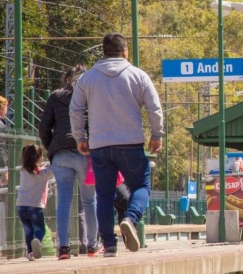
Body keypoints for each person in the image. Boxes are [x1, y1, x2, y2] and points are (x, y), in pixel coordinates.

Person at [70, 33, 163, 256]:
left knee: (103, 195)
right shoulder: (137, 75)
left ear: (103, 52)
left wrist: (80, 137)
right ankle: (130, 219)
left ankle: (109, 246)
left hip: (100, 146)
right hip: (130, 143)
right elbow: (154, 107)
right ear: (125, 52)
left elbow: (75, 109)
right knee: (142, 185)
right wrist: (156, 135)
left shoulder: (87, 78)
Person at [38, 64, 101, 259]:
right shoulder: (91, 96)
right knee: (89, 201)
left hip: (60, 154)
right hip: (84, 153)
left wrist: (53, 148)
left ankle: (63, 248)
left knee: (64, 201)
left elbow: (43, 128)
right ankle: (92, 245)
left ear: (67, 78)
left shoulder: (55, 97)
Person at [17, 144, 54, 260]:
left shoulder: (22, 171)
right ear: (39, 158)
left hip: (21, 206)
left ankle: (30, 253)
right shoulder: (42, 174)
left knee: (28, 230)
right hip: (35, 206)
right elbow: (53, 170)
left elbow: (33, 169)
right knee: (39, 229)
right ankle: (37, 240)